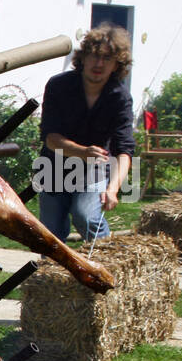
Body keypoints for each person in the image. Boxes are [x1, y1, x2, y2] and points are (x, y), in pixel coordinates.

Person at [37, 23, 136, 243]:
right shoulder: (58, 86)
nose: (99, 64)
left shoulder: (120, 97)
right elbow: (50, 138)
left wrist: (113, 188)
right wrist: (82, 152)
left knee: (86, 216)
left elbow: (124, 150)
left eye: (107, 59)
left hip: (94, 172)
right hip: (54, 167)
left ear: (116, 65)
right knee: (50, 236)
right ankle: (52, 275)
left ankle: (104, 264)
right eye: (94, 56)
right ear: (82, 58)